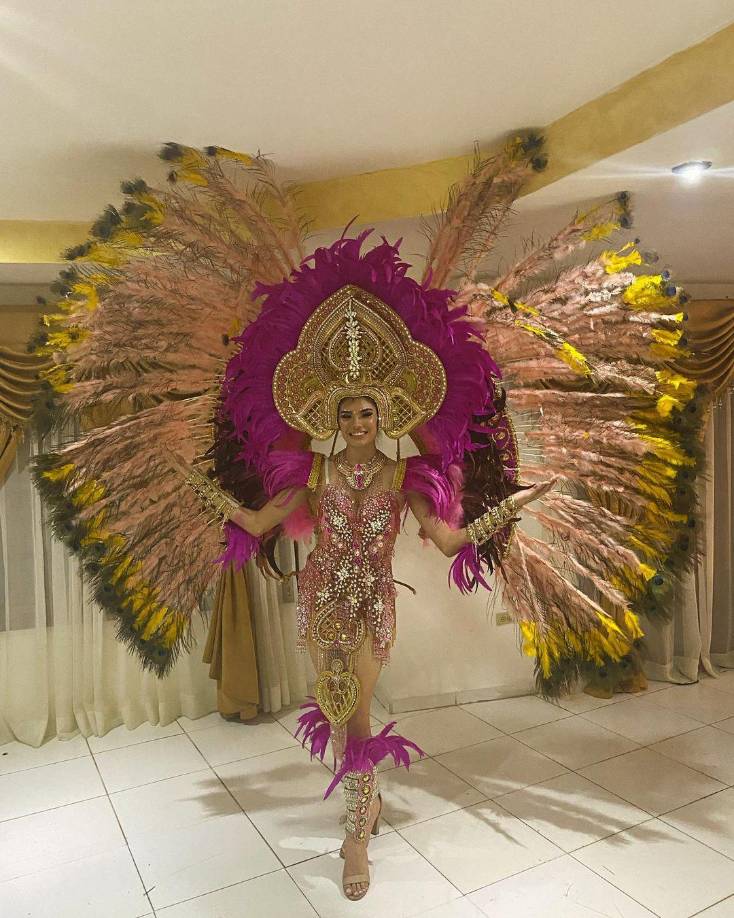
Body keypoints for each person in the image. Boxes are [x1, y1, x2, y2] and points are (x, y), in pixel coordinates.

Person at [227, 393, 554, 900]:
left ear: (381, 419)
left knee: (357, 715)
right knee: (338, 711)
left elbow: (447, 541)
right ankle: (366, 806)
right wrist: (196, 489)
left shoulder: (404, 475)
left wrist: (513, 506)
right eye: (346, 415)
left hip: (373, 605)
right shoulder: (313, 471)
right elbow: (253, 524)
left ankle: (356, 835)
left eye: (366, 414)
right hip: (322, 599)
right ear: (331, 421)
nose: (357, 425)